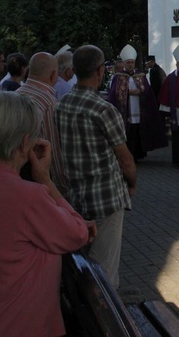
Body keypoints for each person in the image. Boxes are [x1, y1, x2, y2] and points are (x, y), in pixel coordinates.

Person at [0, 92, 94, 336]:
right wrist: (45, 180)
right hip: (16, 323)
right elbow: (77, 233)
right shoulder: (27, 196)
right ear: (26, 142)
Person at [56, 45, 137, 287]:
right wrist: (132, 183)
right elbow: (124, 158)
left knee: (84, 263)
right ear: (101, 71)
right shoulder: (103, 109)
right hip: (105, 198)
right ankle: (107, 319)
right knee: (105, 269)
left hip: (76, 196)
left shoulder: (62, 104)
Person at [16, 52, 69, 195]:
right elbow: (54, 150)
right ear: (53, 75)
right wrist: (61, 187)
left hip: (14, 175)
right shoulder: (49, 103)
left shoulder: (14, 95)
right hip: (39, 180)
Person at [107, 45, 167, 161]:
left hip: (139, 109)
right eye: (128, 62)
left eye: (132, 62)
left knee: (137, 131)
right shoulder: (118, 77)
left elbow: (148, 92)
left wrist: (141, 91)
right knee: (128, 132)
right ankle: (128, 155)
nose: (130, 64)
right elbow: (114, 93)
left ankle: (138, 154)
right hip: (126, 111)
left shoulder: (141, 76)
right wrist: (128, 92)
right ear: (124, 63)